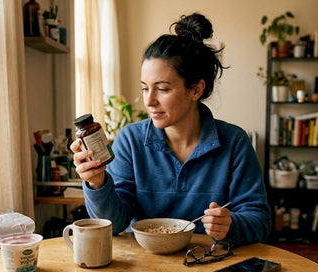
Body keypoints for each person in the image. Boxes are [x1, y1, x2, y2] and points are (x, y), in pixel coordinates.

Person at [70, 13, 271, 247]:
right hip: (144, 269)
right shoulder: (130, 140)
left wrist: (231, 224)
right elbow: (113, 223)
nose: (149, 101)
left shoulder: (234, 142)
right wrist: (97, 183)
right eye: (145, 88)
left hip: (207, 265)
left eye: (162, 89)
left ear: (195, 90)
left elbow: (260, 219)